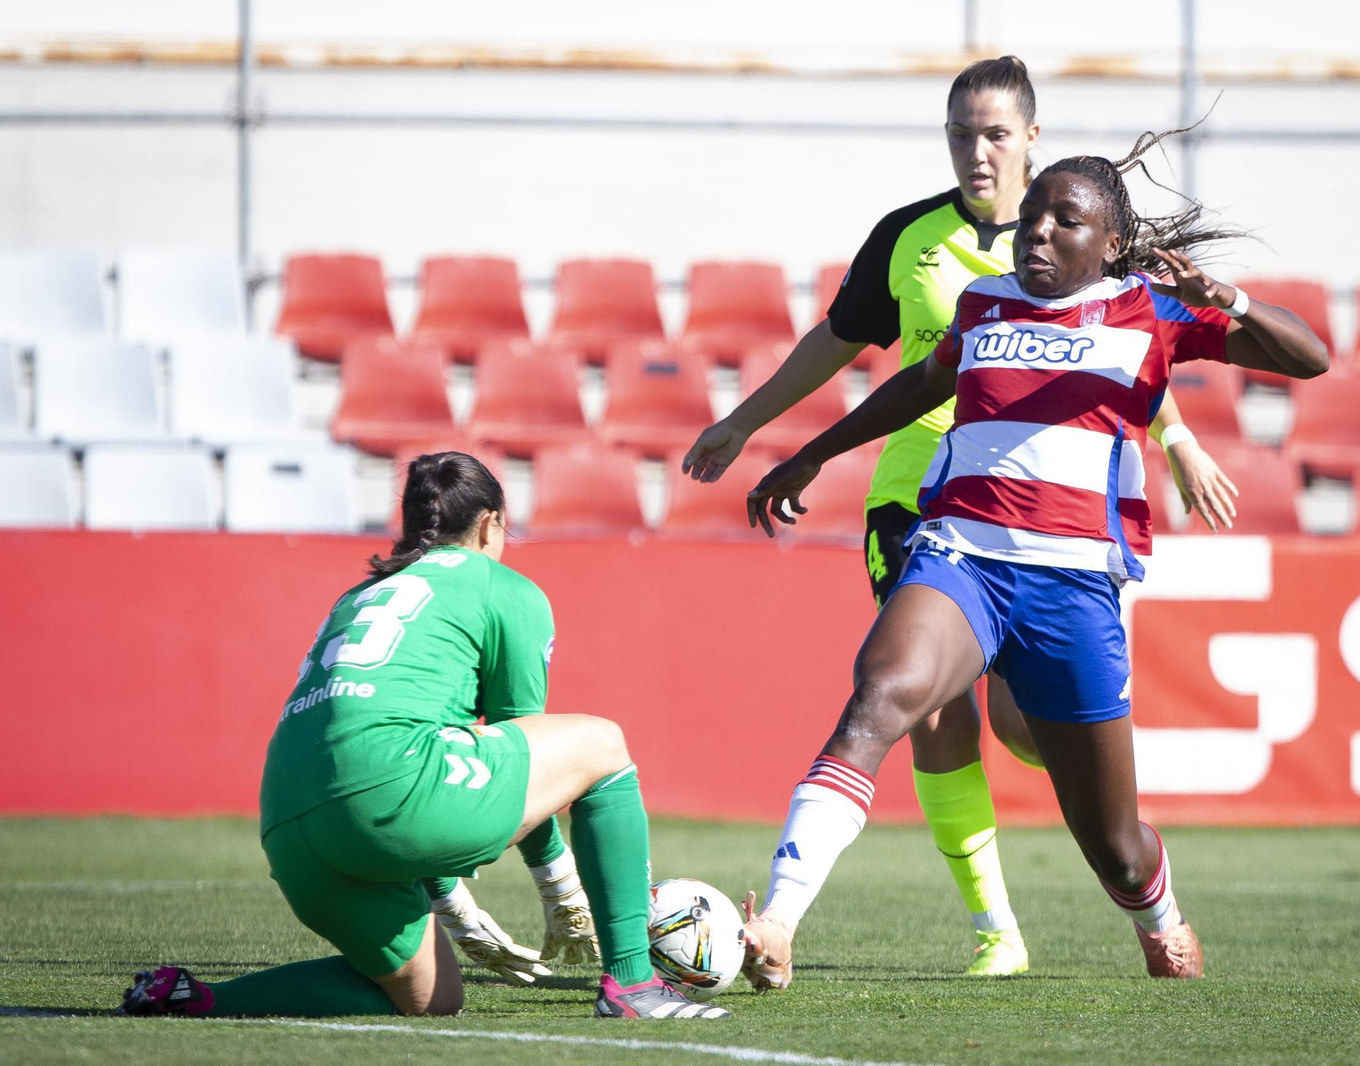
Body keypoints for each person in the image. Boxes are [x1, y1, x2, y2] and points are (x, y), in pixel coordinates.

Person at [682, 56, 1238, 978]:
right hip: (929, 507)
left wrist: (1176, 438)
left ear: (1029, 136)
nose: (975, 151)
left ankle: (1145, 894)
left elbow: (1137, 350)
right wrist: (770, 431)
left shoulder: (1098, 250)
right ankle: (925, 926)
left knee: (1038, 749)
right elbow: (857, 347)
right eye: (958, 132)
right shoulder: (913, 239)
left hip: (1062, 548)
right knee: (903, 704)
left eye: (992, 133)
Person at [120, 452, 728, 1020]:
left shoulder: (359, 593)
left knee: (430, 996)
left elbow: (399, 750)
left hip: (288, 822)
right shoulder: (503, 589)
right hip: (390, 793)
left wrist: (452, 903)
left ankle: (202, 998)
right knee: (602, 744)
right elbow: (520, 742)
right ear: (491, 523)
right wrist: (559, 890)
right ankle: (634, 984)